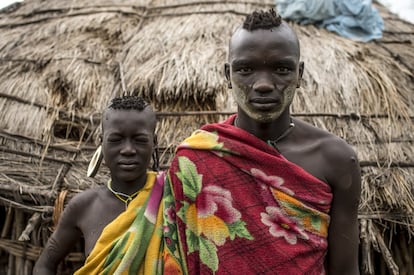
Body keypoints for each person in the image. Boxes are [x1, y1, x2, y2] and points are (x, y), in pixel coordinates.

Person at [162, 8, 361, 274]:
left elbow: (345, 269)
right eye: (245, 69)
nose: (264, 84)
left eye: (281, 68)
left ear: (299, 74)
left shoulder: (335, 159)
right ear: (227, 75)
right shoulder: (194, 160)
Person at [34, 95, 165, 275]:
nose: (128, 149)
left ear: (154, 144)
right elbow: (44, 265)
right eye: (116, 139)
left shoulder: (172, 200)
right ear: (101, 143)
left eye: (140, 140)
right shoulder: (84, 206)